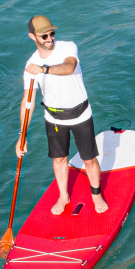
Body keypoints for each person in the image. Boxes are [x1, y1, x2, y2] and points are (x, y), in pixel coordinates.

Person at [16, 15, 108, 215]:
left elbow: (69, 68)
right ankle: (63, 196)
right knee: (59, 159)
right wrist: (21, 136)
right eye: (44, 36)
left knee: (89, 159)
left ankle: (96, 194)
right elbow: (28, 102)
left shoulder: (67, 47)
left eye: (52, 33)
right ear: (32, 36)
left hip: (80, 114)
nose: (50, 38)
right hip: (54, 118)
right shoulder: (30, 66)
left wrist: (43, 69)